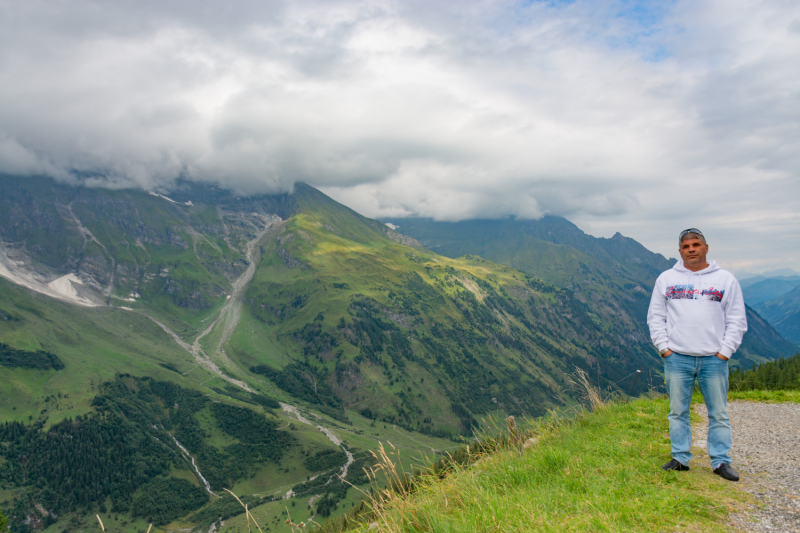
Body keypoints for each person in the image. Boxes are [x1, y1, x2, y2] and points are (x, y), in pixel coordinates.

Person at [647, 228, 747, 481]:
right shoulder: (667, 278)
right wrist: (664, 349)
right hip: (677, 357)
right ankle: (680, 458)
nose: (691, 249)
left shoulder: (725, 279)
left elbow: (736, 319)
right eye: (686, 246)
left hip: (713, 359)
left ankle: (720, 461)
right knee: (677, 411)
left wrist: (724, 353)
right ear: (680, 250)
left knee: (718, 412)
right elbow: (656, 317)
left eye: (696, 244)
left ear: (706, 247)